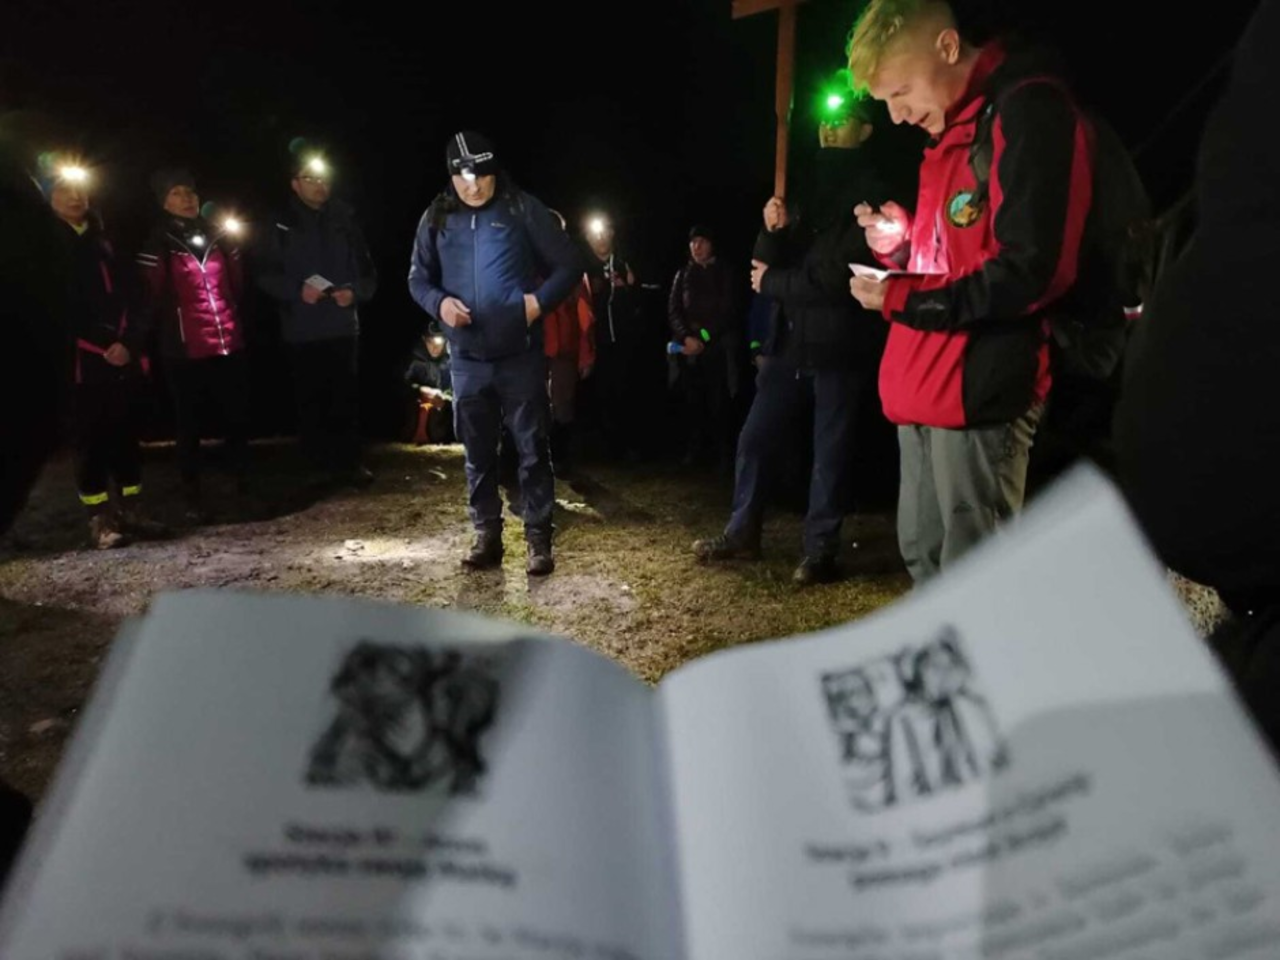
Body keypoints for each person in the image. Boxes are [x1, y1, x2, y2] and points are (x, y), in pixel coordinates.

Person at [847, 0, 1094, 582]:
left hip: (979, 387)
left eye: (900, 92)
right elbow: (955, 256)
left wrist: (905, 297)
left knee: (972, 574)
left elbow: (1030, 270)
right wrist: (899, 243)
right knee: (926, 558)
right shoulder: (953, 133)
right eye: (886, 102)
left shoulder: (1026, 111)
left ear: (948, 47)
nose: (897, 116)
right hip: (925, 385)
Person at [408, 131, 582, 575]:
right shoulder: (437, 216)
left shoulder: (521, 207)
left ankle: (539, 539)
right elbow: (417, 279)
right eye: (463, 178)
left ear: (493, 170)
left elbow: (569, 264)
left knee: (531, 447)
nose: (473, 186)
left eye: (481, 176)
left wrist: (538, 302)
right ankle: (487, 535)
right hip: (467, 359)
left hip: (520, 355)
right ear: (451, 176)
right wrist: (440, 305)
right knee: (477, 452)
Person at [44, 160, 163, 548]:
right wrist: (101, 343)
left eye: (80, 189)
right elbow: (54, 305)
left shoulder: (108, 242)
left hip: (122, 356)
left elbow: (138, 295)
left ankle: (133, 508)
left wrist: (129, 343)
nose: (75, 197)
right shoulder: (46, 245)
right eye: (64, 190)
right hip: (80, 360)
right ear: (49, 197)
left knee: (125, 433)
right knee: (89, 438)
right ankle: (99, 517)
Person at [256, 150, 378, 487]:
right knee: (310, 400)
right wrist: (297, 291)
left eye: (324, 178)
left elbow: (368, 272)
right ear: (295, 184)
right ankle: (315, 467)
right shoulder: (280, 223)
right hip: (302, 328)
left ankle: (349, 463)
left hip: (342, 325)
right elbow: (264, 274)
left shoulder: (346, 220)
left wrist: (354, 292)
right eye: (310, 178)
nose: (319, 184)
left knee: (346, 397)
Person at [136, 167, 249, 522]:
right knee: (189, 423)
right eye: (177, 193)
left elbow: (236, 285)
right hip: (184, 348)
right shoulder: (158, 242)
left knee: (235, 415)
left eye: (190, 192)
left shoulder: (219, 235)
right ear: (164, 202)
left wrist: (230, 320)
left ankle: (241, 486)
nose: (187, 199)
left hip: (227, 341)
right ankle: (191, 496)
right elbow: (150, 296)